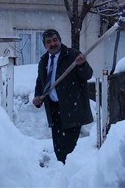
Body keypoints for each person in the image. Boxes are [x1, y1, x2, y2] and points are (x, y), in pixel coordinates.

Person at [33, 29, 93, 164]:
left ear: (60, 40)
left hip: (72, 109)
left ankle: (70, 175)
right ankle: (63, 173)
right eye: (49, 42)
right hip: (54, 110)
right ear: (45, 45)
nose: (53, 44)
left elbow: (87, 75)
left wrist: (82, 64)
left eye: (55, 40)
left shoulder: (72, 55)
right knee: (59, 148)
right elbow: (40, 81)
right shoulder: (44, 61)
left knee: (69, 149)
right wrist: (38, 97)